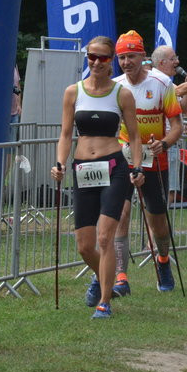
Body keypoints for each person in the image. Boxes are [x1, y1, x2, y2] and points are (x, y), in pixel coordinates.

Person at [50, 35, 144, 319]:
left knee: (105, 238)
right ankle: (103, 278)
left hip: (113, 168)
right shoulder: (73, 92)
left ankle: (105, 302)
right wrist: (59, 163)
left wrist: (137, 167)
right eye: (91, 56)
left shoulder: (121, 94)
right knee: (84, 245)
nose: (96, 62)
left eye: (103, 58)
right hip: (82, 170)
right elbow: (66, 134)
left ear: (110, 61)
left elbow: (136, 136)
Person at [110, 33, 183, 295]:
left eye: (131, 56)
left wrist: (164, 143)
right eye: (122, 57)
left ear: (143, 57)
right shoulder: (115, 85)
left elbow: (177, 126)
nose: (126, 62)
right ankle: (120, 277)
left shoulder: (163, 83)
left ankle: (162, 261)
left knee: (158, 222)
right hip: (124, 158)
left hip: (155, 159)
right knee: (121, 213)